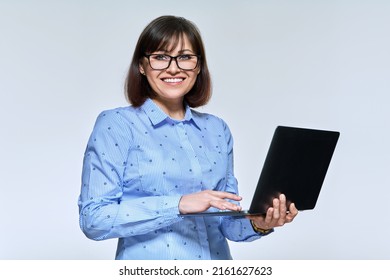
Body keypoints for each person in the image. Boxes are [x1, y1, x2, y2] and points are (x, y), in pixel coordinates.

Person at [78, 15, 298, 260]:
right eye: (160, 57)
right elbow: (94, 218)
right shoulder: (117, 125)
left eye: (185, 57)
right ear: (142, 65)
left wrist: (260, 222)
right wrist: (179, 204)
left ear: (198, 66)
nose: (174, 68)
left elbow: (227, 224)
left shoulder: (217, 129)